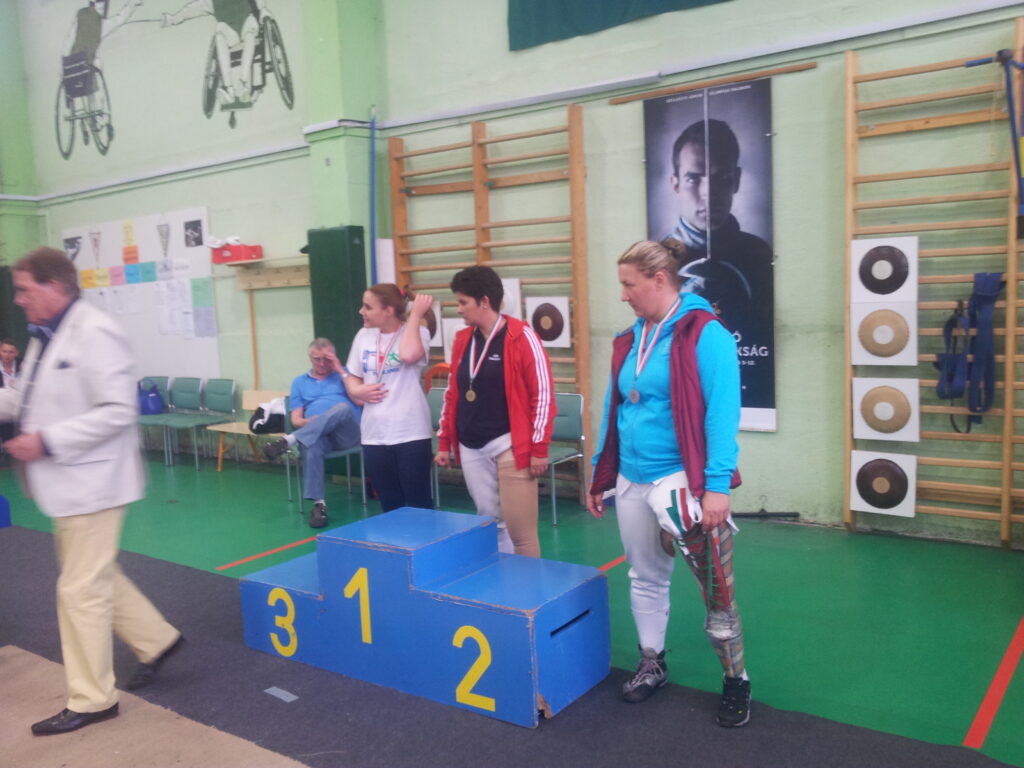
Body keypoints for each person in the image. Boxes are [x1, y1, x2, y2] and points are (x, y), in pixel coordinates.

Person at [0, 247, 183, 736]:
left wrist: (46, 441)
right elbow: (24, 398)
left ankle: (94, 698)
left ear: (55, 286)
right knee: (95, 573)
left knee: (78, 590)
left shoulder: (96, 331)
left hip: (95, 483)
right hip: (67, 484)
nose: (18, 299)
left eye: (24, 289)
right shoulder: (44, 335)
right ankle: (157, 639)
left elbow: (118, 410)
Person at [588, 239, 751, 728]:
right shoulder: (630, 338)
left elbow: (722, 414)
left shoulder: (706, 333)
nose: (623, 295)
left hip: (679, 476)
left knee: (715, 588)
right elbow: (614, 408)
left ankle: (736, 681)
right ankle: (652, 661)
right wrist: (600, 473)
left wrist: (716, 487)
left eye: (629, 284)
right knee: (644, 575)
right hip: (630, 477)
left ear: (659, 280)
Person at [435, 266, 555, 558]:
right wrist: (445, 440)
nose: (459, 309)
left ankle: (526, 586)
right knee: (491, 526)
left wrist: (539, 448)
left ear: (484, 302)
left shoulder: (522, 336)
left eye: (463, 302)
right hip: (471, 446)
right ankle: (503, 584)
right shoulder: (462, 339)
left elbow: (543, 394)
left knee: (521, 535)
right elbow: (453, 393)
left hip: (509, 446)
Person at [664, 118, 774, 409]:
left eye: (721, 177)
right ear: (675, 184)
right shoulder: (657, 259)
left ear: (736, 180)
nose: (708, 193)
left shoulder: (759, 255)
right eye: (693, 178)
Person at [344, 285, 434, 512]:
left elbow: (408, 355)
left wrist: (415, 315)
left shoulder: (418, 332)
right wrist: (356, 390)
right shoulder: (363, 336)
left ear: (389, 311)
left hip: (410, 433)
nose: (361, 311)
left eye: (368, 307)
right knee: (389, 504)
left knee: (419, 503)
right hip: (374, 434)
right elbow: (352, 376)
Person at [263, 338, 366, 529]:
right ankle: (319, 505)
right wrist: (309, 423)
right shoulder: (299, 382)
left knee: (342, 408)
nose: (322, 363)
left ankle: (289, 440)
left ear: (334, 358)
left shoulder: (346, 375)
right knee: (311, 444)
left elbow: (360, 400)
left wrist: (339, 369)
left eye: (327, 359)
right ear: (310, 358)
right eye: (317, 359)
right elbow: (296, 419)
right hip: (318, 436)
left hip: (347, 435)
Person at [162, 0, 268, 105]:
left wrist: (263, 9)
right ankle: (228, 89)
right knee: (219, 31)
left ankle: (243, 84)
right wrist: (173, 19)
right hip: (232, 32)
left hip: (247, 22)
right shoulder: (211, 2)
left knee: (249, 35)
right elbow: (192, 9)